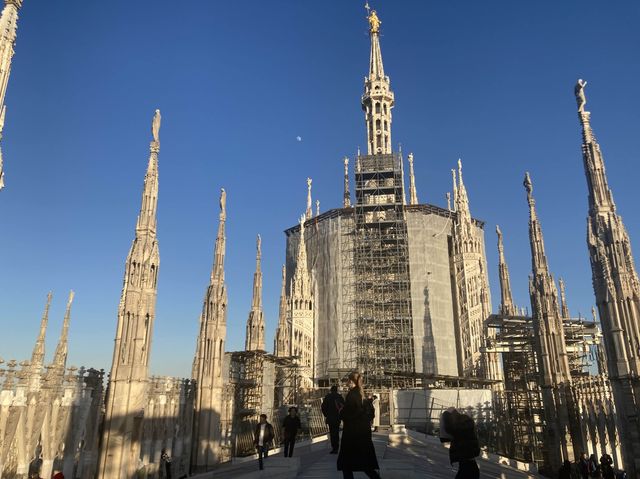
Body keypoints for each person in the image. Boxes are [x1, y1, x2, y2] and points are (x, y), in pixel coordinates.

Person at [336, 372, 382, 479]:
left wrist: (341, 411)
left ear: (352, 382)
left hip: (352, 436)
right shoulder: (361, 395)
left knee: (346, 465)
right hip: (363, 435)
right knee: (365, 465)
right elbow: (369, 413)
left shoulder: (352, 395)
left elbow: (350, 414)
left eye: (348, 381)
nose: (347, 383)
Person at [439, 408, 480, 479]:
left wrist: (446, 417)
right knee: (470, 472)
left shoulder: (463, 420)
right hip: (466, 456)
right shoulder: (460, 421)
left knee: (469, 472)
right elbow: (446, 436)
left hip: (467, 453)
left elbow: (453, 429)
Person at [322, 385, 345, 454]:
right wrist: (341, 416)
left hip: (330, 418)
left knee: (332, 433)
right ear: (337, 390)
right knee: (336, 432)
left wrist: (326, 415)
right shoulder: (339, 397)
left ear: (331, 390)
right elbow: (343, 407)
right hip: (337, 417)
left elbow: (323, 407)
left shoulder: (327, 397)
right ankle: (336, 447)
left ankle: (334, 448)